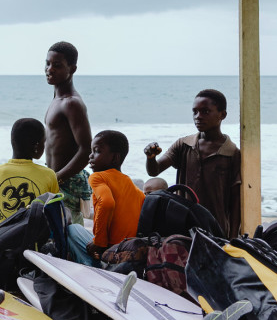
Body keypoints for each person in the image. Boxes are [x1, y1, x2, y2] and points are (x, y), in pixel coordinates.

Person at [143, 88, 242, 236]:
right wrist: (150, 157)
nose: (198, 117)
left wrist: (233, 237)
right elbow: (154, 171)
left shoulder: (231, 153)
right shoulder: (183, 145)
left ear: (223, 115)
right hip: (182, 223)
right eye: (195, 112)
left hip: (215, 227)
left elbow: (235, 200)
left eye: (205, 112)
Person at [0, 118, 60, 241]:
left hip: (0, 243)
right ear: (37, 146)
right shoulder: (49, 175)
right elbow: (54, 215)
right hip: (33, 243)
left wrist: (1, 213)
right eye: (44, 142)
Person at [70, 130, 144, 262]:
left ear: (115, 158)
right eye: (91, 151)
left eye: (97, 151)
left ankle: (91, 267)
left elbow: (107, 203)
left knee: (73, 229)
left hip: (110, 250)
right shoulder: (133, 186)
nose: (91, 156)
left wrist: (99, 242)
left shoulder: (97, 177)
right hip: (127, 250)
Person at [43, 41, 93, 221]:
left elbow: (87, 149)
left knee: (67, 237)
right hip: (55, 179)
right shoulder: (57, 98)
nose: (50, 69)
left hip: (67, 183)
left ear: (72, 69)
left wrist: (58, 178)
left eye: (57, 65)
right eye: (47, 63)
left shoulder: (72, 103)